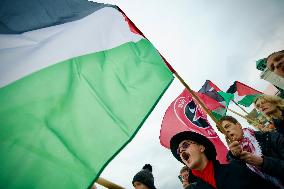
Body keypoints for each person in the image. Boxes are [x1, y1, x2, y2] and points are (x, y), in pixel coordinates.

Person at [170, 130, 279, 189]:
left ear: (201, 147)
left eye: (185, 145)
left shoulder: (236, 169)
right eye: (178, 152)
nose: (181, 152)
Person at [219, 115, 284, 188]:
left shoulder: (269, 137)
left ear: (238, 125)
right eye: (223, 131)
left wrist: (263, 162)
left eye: (227, 126)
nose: (226, 131)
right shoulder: (232, 158)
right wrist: (236, 159)